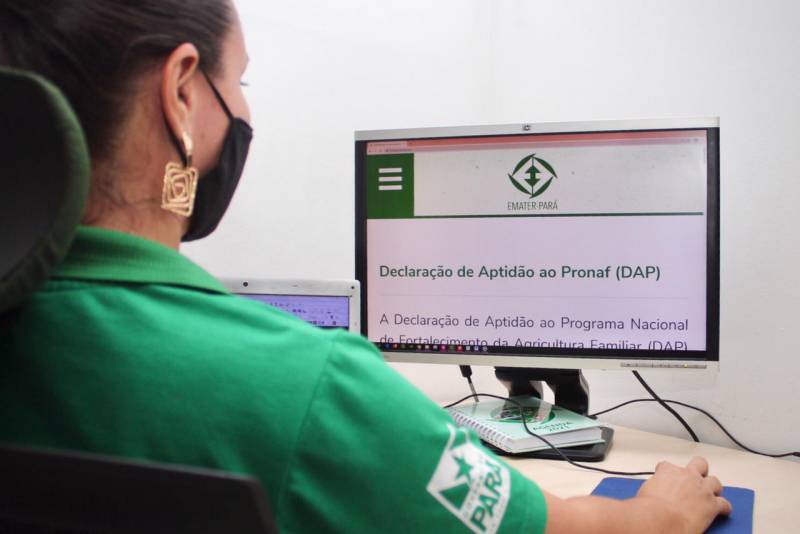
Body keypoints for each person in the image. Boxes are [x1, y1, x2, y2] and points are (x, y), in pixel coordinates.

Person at [0, 1, 731, 532]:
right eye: (241, 81)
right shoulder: (309, 385)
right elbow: (563, 530)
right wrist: (662, 511)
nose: (245, 108)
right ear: (183, 93)